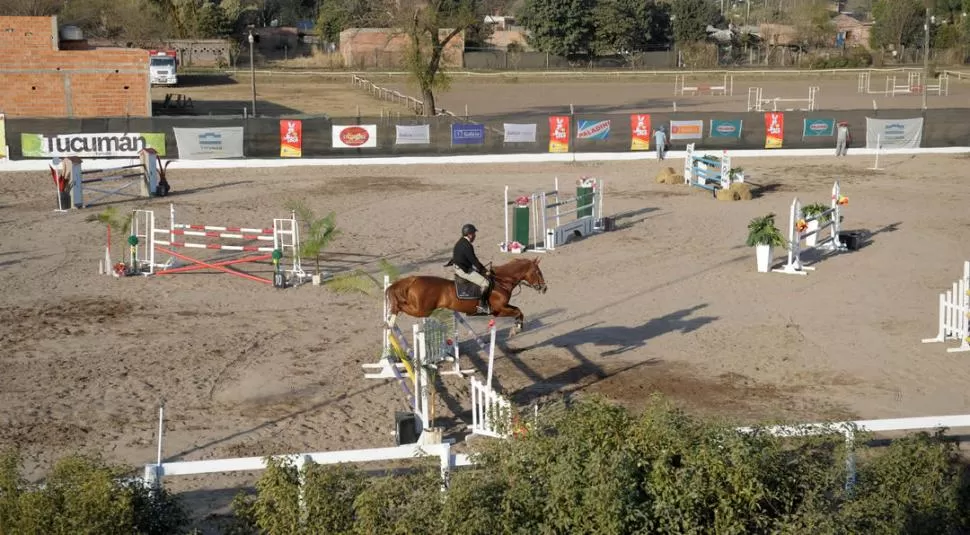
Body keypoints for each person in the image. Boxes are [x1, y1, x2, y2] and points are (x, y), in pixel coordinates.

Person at [450, 223, 491, 314]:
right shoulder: (467, 245)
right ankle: (482, 306)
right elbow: (474, 260)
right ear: (470, 234)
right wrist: (484, 271)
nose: (475, 236)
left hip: (459, 265)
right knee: (486, 283)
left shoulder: (460, 241)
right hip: (463, 270)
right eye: (474, 234)